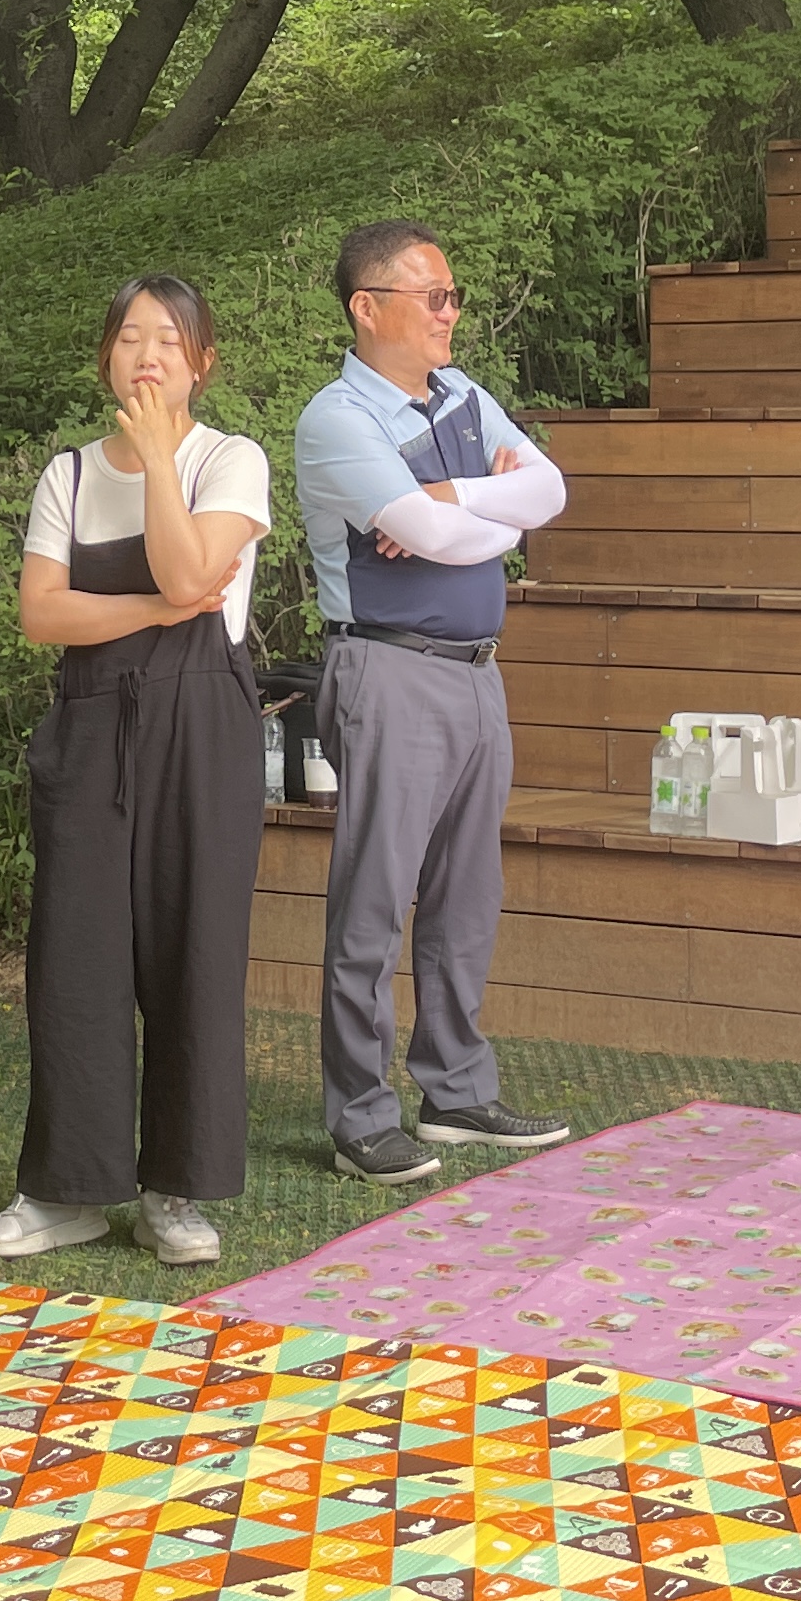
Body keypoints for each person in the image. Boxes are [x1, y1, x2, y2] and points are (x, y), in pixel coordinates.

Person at [0, 276, 270, 1268]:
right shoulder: (66, 475)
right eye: (130, 337)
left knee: (196, 950)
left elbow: (195, 574)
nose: (148, 356)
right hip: (91, 724)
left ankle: (174, 1193)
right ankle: (66, 1191)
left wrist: (155, 462)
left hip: (202, 727)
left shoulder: (230, 460)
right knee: (77, 955)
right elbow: (42, 614)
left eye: (169, 341)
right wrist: (150, 611)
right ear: (105, 355)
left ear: (202, 363)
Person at [292, 220, 573, 1184]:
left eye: (453, 296)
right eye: (435, 297)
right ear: (368, 309)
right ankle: (360, 1115)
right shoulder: (338, 418)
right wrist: (483, 508)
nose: (452, 313)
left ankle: (455, 1091)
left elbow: (549, 494)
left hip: (478, 672)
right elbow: (434, 534)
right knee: (374, 898)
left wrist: (450, 498)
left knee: (467, 892)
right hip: (389, 667)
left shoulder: (462, 394)